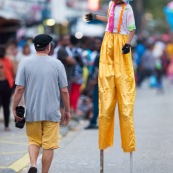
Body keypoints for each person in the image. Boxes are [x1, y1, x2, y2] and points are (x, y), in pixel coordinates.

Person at [12, 34, 71, 173]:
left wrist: (14, 108)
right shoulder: (57, 64)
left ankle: (33, 165)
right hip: (52, 112)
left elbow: (19, 88)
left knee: (33, 141)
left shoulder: (25, 63)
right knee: (49, 145)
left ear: (35, 46)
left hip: (32, 111)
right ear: (49, 46)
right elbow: (64, 91)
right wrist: (67, 110)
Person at [86, 0, 136, 152]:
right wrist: (95, 16)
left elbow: (132, 28)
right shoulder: (110, 5)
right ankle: (104, 140)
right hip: (108, 40)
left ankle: (128, 142)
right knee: (106, 81)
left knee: (123, 82)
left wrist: (128, 44)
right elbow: (110, 19)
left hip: (121, 41)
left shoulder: (128, 8)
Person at [85, 37, 102, 129]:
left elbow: (97, 70)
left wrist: (93, 81)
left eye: (98, 43)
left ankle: (93, 121)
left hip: (98, 82)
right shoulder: (100, 54)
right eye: (95, 43)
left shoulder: (100, 55)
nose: (96, 45)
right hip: (100, 81)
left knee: (96, 102)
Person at [0, 46, 15, 131]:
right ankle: (6, 125)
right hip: (5, 83)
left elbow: (13, 72)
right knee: (5, 105)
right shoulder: (9, 60)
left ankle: (6, 125)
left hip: (7, 84)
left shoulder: (9, 60)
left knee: (6, 105)